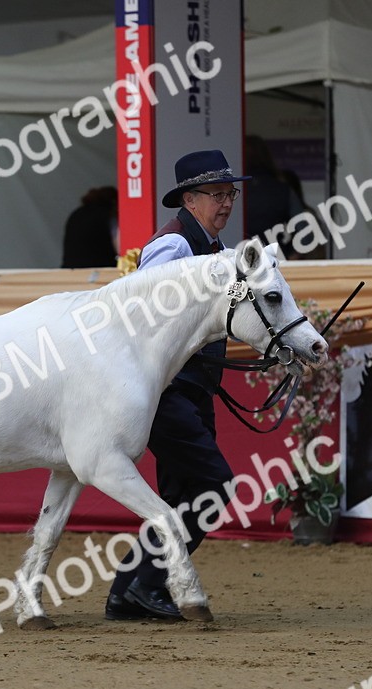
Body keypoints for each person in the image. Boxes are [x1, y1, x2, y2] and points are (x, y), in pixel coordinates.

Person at [104, 150, 249, 621]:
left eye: (229, 193)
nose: (226, 203)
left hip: (190, 387)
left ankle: (127, 595)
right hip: (168, 391)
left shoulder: (215, 249)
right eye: (216, 194)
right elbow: (142, 314)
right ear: (189, 199)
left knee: (180, 494)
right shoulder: (173, 247)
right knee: (213, 485)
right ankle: (149, 584)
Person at [244, 135, 304, 257]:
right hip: (276, 258)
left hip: (237, 259)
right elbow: (305, 232)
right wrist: (291, 260)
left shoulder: (231, 191)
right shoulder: (283, 190)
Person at [61, 186, 119, 268]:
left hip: (70, 268)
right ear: (114, 202)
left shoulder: (77, 213)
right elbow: (118, 246)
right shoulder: (107, 215)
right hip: (100, 267)